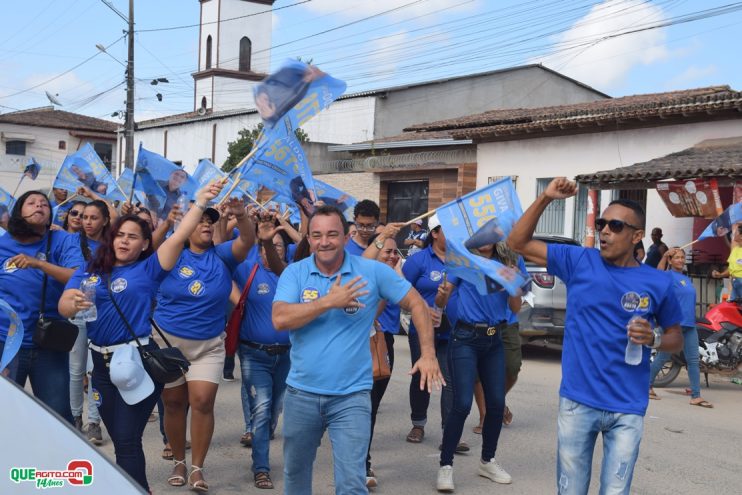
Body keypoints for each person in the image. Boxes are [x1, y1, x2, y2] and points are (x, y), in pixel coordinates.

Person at [507, 177, 684, 495]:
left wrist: (654, 338)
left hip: (627, 406)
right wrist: (546, 198)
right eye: (602, 223)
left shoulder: (658, 283)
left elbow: (676, 338)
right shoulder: (579, 261)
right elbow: (517, 243)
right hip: (578, 401)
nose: (604, 230)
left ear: (637, 236)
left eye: (616, 226)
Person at [58, 180, 225, 492]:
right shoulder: (89, 269)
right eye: (120, 235)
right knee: (122, 439)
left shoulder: (150, 269)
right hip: (101, 366)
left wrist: (200, 202)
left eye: (133, 237)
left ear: (145, 244)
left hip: (137, 363)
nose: (124, 241)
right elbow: (65, 304)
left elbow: (177, 237)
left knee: (127, 438)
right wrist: (73, 303)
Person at [272, 205, 444, 494]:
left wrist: (428, 354)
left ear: (345, 235)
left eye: (331, 234)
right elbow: (279, 318)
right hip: (302, 394)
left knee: (352, 482)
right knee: (296, 475)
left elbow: (416, 303)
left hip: (351, 397)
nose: (324, 241)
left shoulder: (371, 271)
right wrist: (328, 301)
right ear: (309, 238)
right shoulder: (295, 272)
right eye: (316, 235)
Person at [154, 197, 254, 491]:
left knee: (201, 402)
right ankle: (178, 461)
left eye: (210, 221)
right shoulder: (171, 254)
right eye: (200, 220)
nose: (207, 224)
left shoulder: (223, 256)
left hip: (208, 345)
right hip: (168, 342)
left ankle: (197, 467)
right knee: (173, 403)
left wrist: (241, 215)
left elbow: (247, 240)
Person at [434, 241, 519, 492]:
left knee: (496, 404)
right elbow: (441, 299)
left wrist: (513, 284)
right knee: (461, 403)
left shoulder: (506, 264)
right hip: (465, 339)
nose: (485, 240)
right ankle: (445, 466)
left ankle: (487, 461)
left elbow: (515, 307)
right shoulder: (463, 263)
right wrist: (441, 294)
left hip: (495, 339)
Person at [0, 191, 83, 420]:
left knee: (57, 417)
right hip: (6, 344)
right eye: (32, 203)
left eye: (44, 204)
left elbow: (78, 276)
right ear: (18, 211)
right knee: (5, 416)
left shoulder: (63, 240)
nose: (39, 206)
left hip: (48, 342)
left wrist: (39, 264)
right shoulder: (2, 244)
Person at [235, 220, 290, 489]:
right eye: (269, 245)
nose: (273, 250)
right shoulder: (247, 269)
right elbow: (223, 254)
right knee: (262, 409)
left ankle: (261, 440)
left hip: (287, 356)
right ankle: (261, 468)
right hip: (253, 354)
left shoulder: (292, 274)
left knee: (272, 413)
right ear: (259, 249)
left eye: (279, 246)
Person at [400, 215, 460, 451]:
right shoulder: (419, 261)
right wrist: (422, 309)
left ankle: (450, 432)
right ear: (435, 233)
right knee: (422, 377)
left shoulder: (460, 261)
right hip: (422, 330)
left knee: (450, 380)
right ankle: (418, 423)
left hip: (453, 330)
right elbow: (400, 292)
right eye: (449, 231)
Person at [68, 198, 114, 445]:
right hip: (76, 313)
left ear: (105, 220)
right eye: (84, 217)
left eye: (93, 217)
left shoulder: (112, 244)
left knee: (95, 370)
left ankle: (94, 422)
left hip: (102, 314)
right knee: (76, 370)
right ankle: (75, 417)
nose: (87, 222)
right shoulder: (69, 240)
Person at [650, 248, 713, 408]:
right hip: (675, 325)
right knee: (663, 358)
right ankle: (646, 386)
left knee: (693, 360)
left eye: (682, 257)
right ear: (671, 261)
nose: (680, 260)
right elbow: (658, 272)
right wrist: (664, 255)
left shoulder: (685, 278)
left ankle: (696, 396)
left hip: (689, 325)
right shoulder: (668, 276)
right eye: (676, 258)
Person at [365, 233, 403, 488]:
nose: (391, 255)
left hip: (383, 344)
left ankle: (362, 460)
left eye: (394, 252)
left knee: (372, 406)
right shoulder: (365, 277)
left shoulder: (396, 276)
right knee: (360, 406)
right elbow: (372, 311)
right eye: (386, 251)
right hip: (362, 344)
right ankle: (359, 462)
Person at [711, 225, 742, 300]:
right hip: (735, 283)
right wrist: (720, 274)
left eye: (736, 232)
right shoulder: (735, 250)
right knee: (734, 306)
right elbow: (731, 269)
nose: (733, 233)